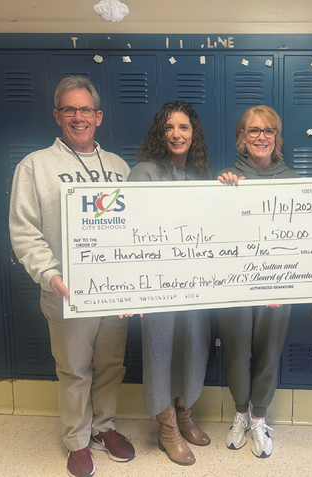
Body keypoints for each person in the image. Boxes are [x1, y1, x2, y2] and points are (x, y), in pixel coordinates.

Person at [8, 76, 136, 477]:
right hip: (67, 292)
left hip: (113, 293)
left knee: (111, 365)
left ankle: (105, 427)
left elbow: (138, 227)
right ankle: (78, 440)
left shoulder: (118, 166)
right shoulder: (35, 165)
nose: (78, 117)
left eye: (86, 110)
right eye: (69, 109)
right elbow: (24, 229)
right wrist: (50, 274)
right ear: (57, 115)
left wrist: (138, 286)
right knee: (75, 370)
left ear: (98, 116)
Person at [127, 101, 213, 466]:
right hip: (156, 282)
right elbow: (129, 230)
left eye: (184, 128)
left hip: (194, 282)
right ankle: (167, 429)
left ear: (194, 135)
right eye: (169, 128)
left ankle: (184, 412)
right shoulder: (144, 172)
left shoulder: (198, 174)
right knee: (160, 349)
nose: (177, 134)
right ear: (160, 134)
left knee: (194, 344)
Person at [216, 105, 300, 457]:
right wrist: (221, 193)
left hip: (277, 286)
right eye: (253, 131)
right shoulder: (226, 181)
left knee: (268, 352)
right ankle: (239, 413)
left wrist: (291, 283)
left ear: (276, 138)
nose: (261, 137)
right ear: (242, 137)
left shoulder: (296, 182)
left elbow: (302, 243)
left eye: (268, 131)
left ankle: (259, 418)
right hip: (235, 285)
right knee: (236, 350)